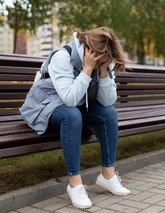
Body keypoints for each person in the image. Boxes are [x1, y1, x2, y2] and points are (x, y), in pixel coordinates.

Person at [20, 27, 131, 209]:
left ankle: (108, 175)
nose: (100, 65)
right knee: (72, 115)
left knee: (109, 113)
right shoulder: (62, 57)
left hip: (77, 104)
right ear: (90, 50)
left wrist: (103, 71)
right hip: (45, 105)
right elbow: (69, 100)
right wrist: (87, 69)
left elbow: (108, 101)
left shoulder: (103, 59)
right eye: (99, 62)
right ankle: (75, 184)